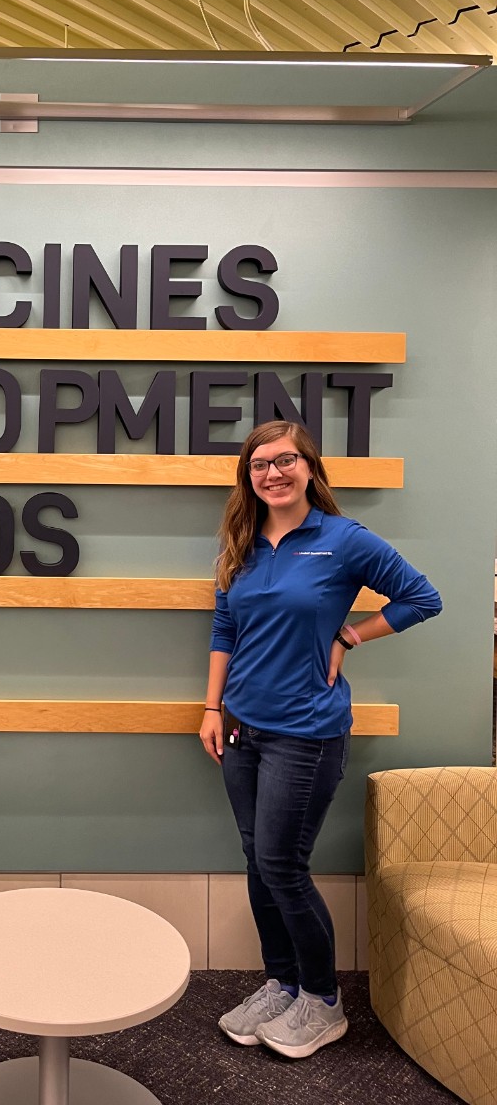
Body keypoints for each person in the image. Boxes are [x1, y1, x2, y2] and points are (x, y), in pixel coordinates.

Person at [199, 420, 441, 1059]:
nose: (272, 474)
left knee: (283, 864)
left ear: (309, 467)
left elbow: (423, 598)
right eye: (259, 465)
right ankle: (282, 984)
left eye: (284, 461)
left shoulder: (344, 540)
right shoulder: (240, 543)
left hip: (305, 733)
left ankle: (322, 1000)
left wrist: (350, 635)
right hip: (242, 728)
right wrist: (212, 707)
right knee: (258, 860)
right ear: (248, 478)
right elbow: (224, 628)